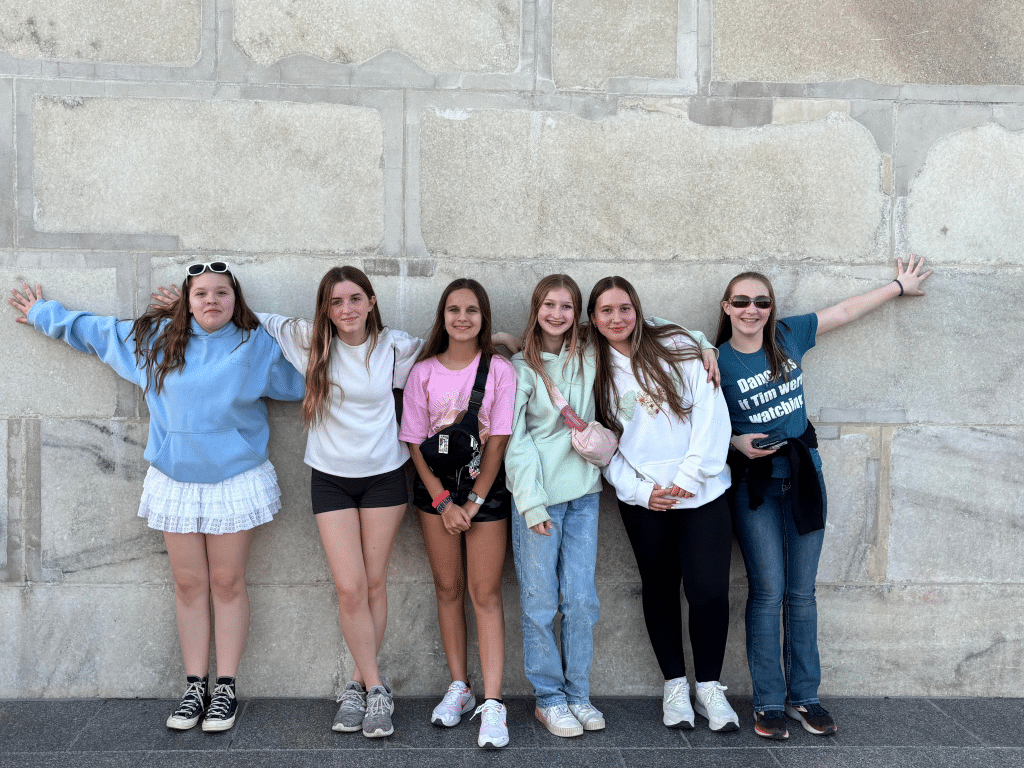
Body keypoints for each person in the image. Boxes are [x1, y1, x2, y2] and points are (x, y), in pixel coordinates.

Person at [9, 263, 306, 733]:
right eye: (202, 293)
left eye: (222, 293)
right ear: (186, 300)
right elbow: (98, 333)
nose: (212, 301)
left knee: (227, 584)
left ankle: (225, 688)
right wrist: (45, 313)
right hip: (176, 481)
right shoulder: (156, 340)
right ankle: (194, 688)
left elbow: (312, 376)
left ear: (236, 299)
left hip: (235, 481)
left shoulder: (256, 346)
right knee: (189, 586)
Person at [714, 256, 931, 740]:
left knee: (802, 594)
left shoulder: (787, 338)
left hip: (804, 478)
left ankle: (804, 698)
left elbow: (845, 311)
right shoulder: (715, 359)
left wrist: (898, 286)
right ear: (726, 307)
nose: (752, 310)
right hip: (756, 486)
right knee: (768, 593)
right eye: (742, 301)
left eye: (761, 301)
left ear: (771, 308)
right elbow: (698, 424)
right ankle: (768, 702)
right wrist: (734, 442)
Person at [504, 274, 720, 738]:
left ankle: (578, 695)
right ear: (536, 309)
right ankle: (549, 698)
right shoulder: (522, 369)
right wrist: (530, 502)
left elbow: (648, 323)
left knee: (581, 602)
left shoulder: (587, 353)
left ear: (578, 316)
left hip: (583, 494)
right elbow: (516, 443)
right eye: (548, 305)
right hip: (540, 500)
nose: (557, 314)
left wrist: (704, 342)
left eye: (566, 306)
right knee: (541, 604)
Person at [588, 276, 739, 733]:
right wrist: (637, 491)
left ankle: (710, 687)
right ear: (592, 319)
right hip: (644, 500)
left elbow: (712, 413)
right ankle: (676, 685)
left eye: (624, 308)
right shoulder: (591, 367)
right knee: (659, 588)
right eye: (606, 311)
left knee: (709, 591)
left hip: (703, 491)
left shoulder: (675, 344)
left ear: (638, 310)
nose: (617, 318)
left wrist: (690, 477)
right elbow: (598, 446)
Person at [399, 278, 516, 749]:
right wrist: (443, 501)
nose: (462, 318)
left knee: (483, 592)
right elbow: (413, 439)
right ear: (442, 316)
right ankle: (460, 687)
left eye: (471, 310)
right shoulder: (423, 371)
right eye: (453, 309)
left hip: (484, 495)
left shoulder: (500, 370)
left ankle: (493, 703)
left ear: (483, 317)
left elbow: (500, 439)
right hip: (435, 496)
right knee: (447, 589)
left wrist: (471, 501)